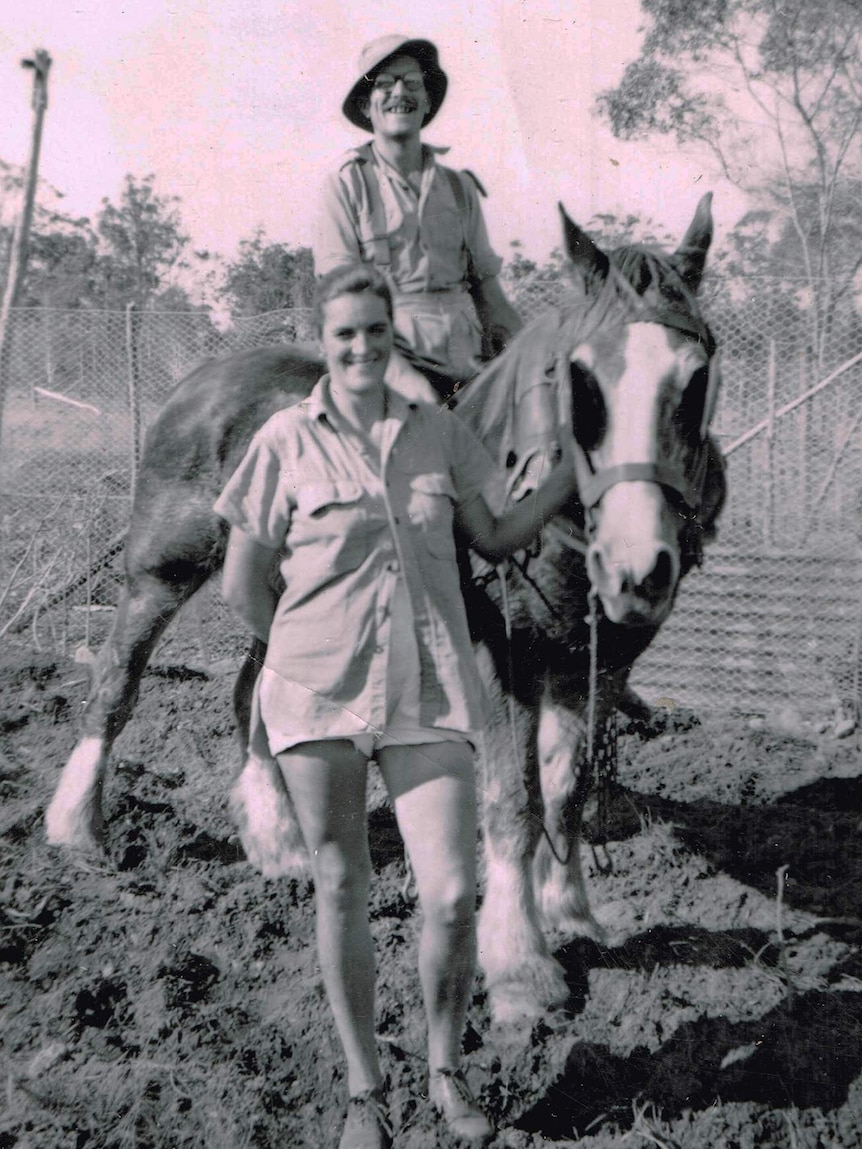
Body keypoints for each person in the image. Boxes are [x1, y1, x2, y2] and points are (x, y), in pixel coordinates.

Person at [215, 265, 579, 1149]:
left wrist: (569, 476)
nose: (361, 346)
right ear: (324, 337)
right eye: (344, 333)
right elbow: (242, 584)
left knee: (453, 894)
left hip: (427, 693)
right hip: (318, 699)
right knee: (342, 883)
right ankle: (363, 1091)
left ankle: (444, 1069)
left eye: (376, 331)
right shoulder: (283, 441)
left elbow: (492, 535)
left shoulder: (439, 434)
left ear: (391, 335)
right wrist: (300, 657)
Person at [313, 34, 523, 402]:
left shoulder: (459, 188)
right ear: (365, 105)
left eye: (412, 83)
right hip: (385, 358)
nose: (399, 93)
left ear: (427, 101)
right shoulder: (346, 186)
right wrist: (395, 373)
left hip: (470, 359)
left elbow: (489, 291)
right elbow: (343, 300)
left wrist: (533, 353)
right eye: (384, 84)